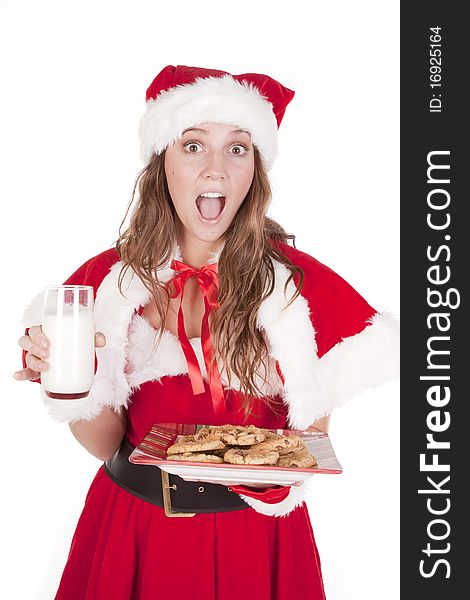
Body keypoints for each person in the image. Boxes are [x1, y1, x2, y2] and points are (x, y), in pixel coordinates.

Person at [13, 65, 399, 599]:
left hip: (256, 539)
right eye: (193, 146)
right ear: (163, 162)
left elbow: (308, 449)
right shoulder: (108, 286)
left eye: (237, 149)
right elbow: (106, 445)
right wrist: (67, 380)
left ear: (255, 171)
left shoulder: (298, 294)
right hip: (134, 530)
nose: (215, 168)